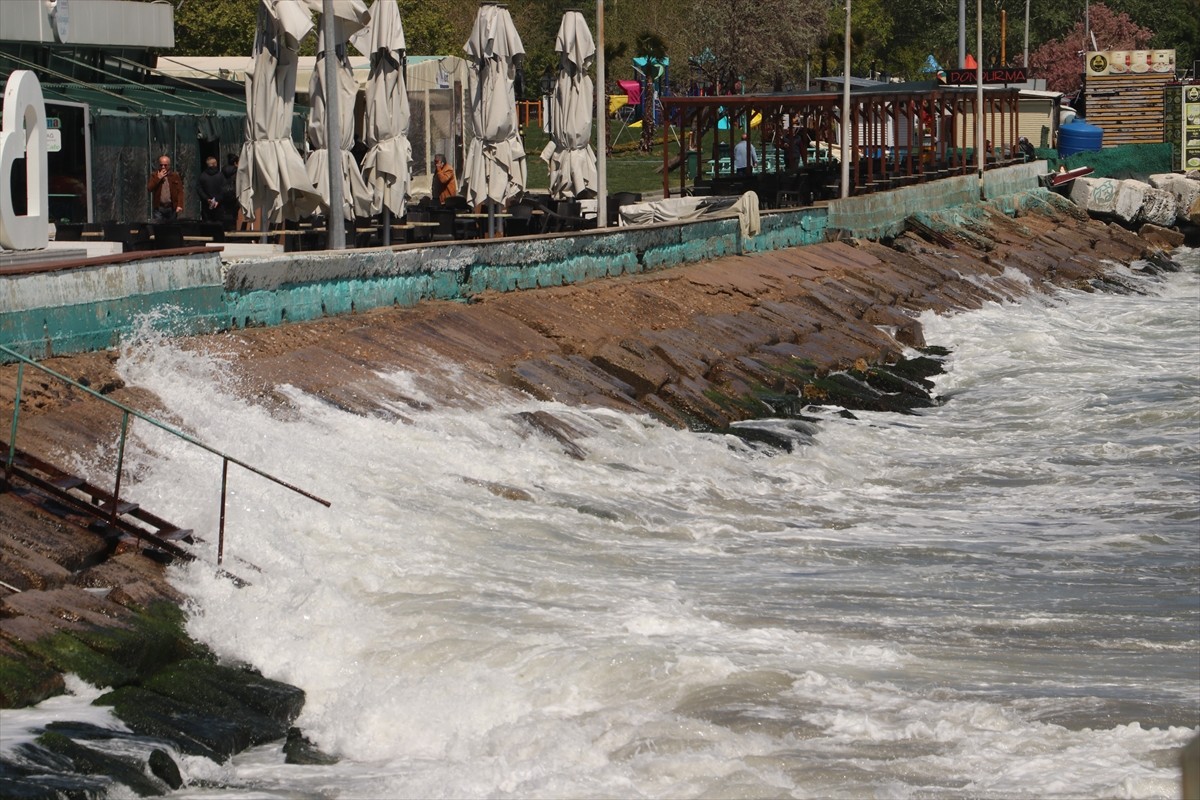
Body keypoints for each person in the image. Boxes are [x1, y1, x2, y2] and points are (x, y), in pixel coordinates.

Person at [147, 155, 184, 221]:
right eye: (161, 165)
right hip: (159, 208)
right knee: (159, 229)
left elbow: (180, 191)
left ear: (169, 165)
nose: (163, 167)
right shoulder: (154, 175)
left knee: (171, 228)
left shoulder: (174, 176)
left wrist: (179, 205)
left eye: (165, 165)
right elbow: (149, 188)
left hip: (171, 207)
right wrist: (158, 178)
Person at [196, 156, 225, 224]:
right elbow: (224, 189)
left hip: (206, 207)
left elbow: (199, 189)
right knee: (218, 227)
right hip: (219, 207)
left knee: (208, 227)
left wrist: (207, 199)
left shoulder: (202, 176)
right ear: (215, 164)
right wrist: (218, 200)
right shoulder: (221, 176)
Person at [220, 153, 240, 231]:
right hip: (234, 197)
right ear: (235, 163)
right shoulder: (238, 173)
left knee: (225, 218)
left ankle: (225, 233)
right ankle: (232, 236)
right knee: (233, 218)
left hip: (224, 197)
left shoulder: (222, 172)